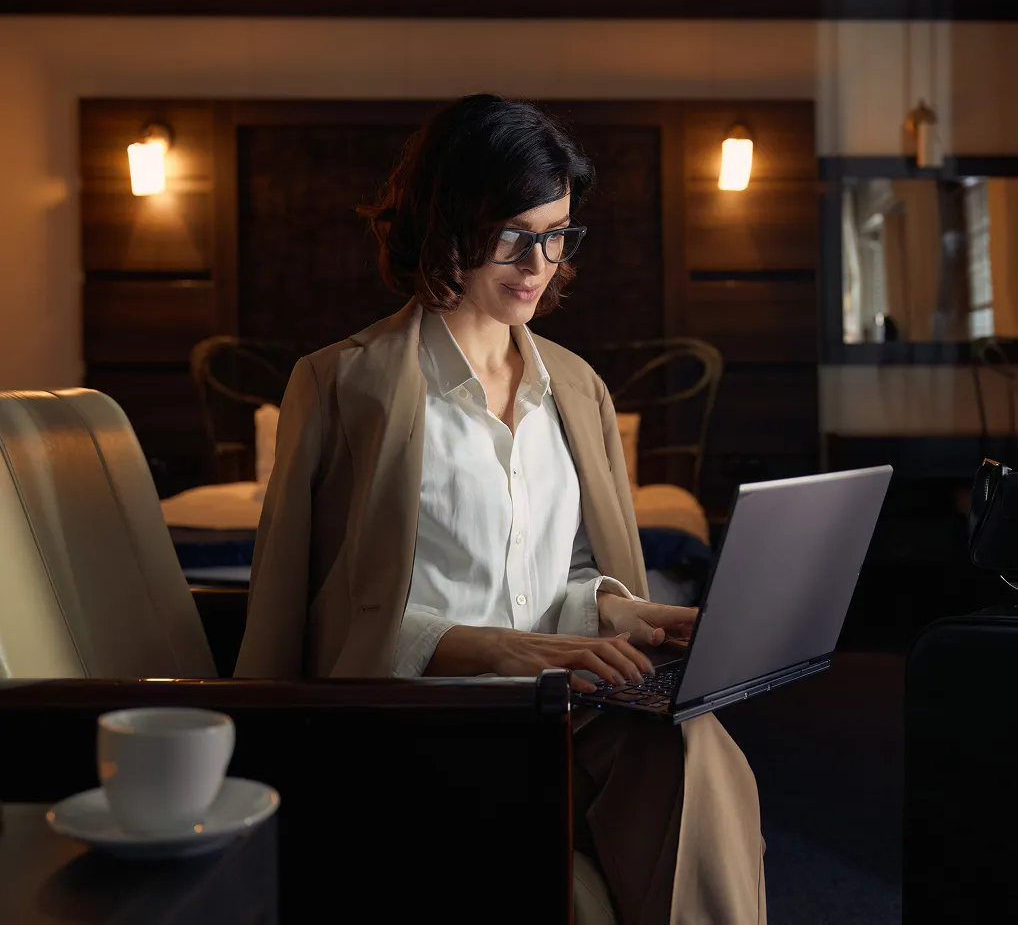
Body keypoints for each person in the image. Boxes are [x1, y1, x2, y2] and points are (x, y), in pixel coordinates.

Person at [234, 93, 766, 924]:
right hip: (427, 722)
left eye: (555, 234)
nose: (537, 262)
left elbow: (576, 568)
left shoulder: (577, 387)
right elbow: (318, 614)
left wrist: (618, 610)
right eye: (511, 234)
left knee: (693, 738)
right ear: (443, 225)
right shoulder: (345, 385)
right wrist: (501, 649)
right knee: (682, 752)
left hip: (563, 709)